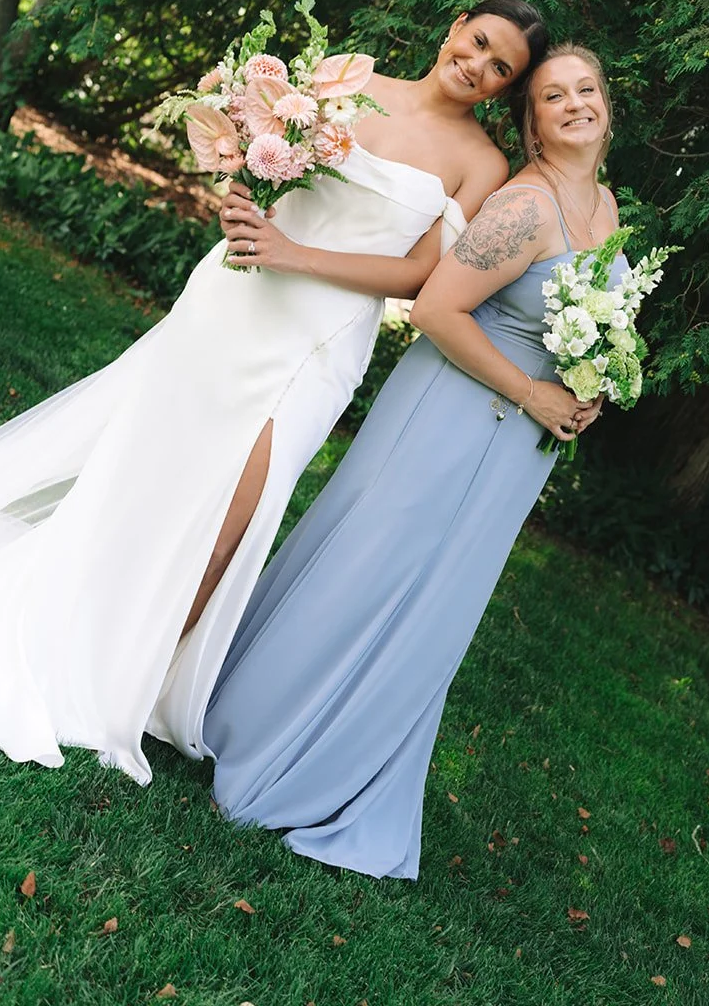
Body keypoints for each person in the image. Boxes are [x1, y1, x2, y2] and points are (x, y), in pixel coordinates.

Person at [0, 0, 547, 784]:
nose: (477, 65)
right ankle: (74, 632)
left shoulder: (482, 165)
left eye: (499, 67)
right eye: (477, 42)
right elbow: (258, 158)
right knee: (143, 478)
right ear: (452, 29)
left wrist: (296, 254)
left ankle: (126, 692)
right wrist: (241, 200)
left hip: (320, 340)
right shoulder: (348, 78)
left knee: (230, 522)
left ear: (504, 88)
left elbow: (420, 276)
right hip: (233, 302)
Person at [204, 45, 622, 879]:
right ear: (532, 123)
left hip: (515, 443)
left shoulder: (604, 206)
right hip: (450, 414)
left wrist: (588, 382)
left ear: (605, 104)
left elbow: (581, 321)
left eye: (585, 91)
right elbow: (435, 307)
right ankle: (254, 735)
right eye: (551, 96)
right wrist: (531, 391)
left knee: (438, 603)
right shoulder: (524, 206)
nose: (573, 104)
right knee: (370, 569)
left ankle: (353, 761)